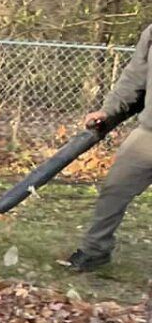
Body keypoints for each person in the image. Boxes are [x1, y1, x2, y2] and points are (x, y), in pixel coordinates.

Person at [61, 20, 152, 273]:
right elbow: (134, 80)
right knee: (115, 188)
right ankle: (95, 251)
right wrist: (108, 112)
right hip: (149, 134)